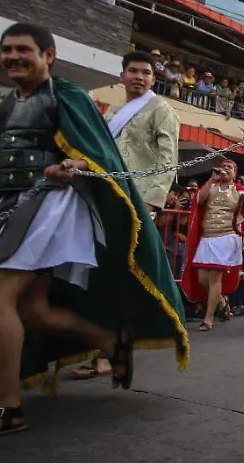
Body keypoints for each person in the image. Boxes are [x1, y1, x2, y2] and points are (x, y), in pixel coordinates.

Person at [0, 23, 188, 444]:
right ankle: (109, 339)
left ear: (48, 55)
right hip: (14, 208)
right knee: (33, 310)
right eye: (6, 50)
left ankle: (5, 408)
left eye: (23, 49)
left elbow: (96, 154)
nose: (13, 57)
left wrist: (78, 166)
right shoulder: (6, 108)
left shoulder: (69, 96)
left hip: (52, 209)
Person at [71, 50, 179, 381]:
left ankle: (112, 349)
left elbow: (168, 157)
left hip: (138, 202)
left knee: (124, 275)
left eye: (145, 73)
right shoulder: (114, 114)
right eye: (133, 71)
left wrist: (152, 202)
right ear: (122, 76)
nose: (139, 77)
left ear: (152, 79)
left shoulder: (161, 109)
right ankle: (105, 348)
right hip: (107, 198)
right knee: (100, 273)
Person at [181, 160, 244, 331]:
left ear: (235, 174)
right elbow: (199, 201)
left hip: (226, 237)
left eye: (230, 167)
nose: (225, 169)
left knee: (214, 277)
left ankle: (208, 318)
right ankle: (222, 301)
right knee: (202, 278)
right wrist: (212, 180)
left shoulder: (239, 190)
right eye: (223, 166)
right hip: (207, 236)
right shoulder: (210, 185)